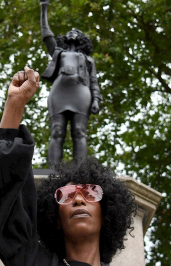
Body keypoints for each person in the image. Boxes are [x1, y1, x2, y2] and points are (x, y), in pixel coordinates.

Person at [0, 67, 136, 266]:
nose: (78, 199)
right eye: (66, 195)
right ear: (56, 221)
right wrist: (15, 103)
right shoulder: (35, 264)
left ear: (105, 214)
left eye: (89, 193)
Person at [40, 0, 102, 166]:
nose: (72, 32)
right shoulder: (58, 53)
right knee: (57, 130)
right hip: (59, 92)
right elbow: (46, 35)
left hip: (81, 93)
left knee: (79, 132)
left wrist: (96, 99)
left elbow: (94, 81)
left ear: (81, 38)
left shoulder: (88, 60)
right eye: (70, 31)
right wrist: (43, 7)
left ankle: (80, 171)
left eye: (76, 31)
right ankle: (53, 171)